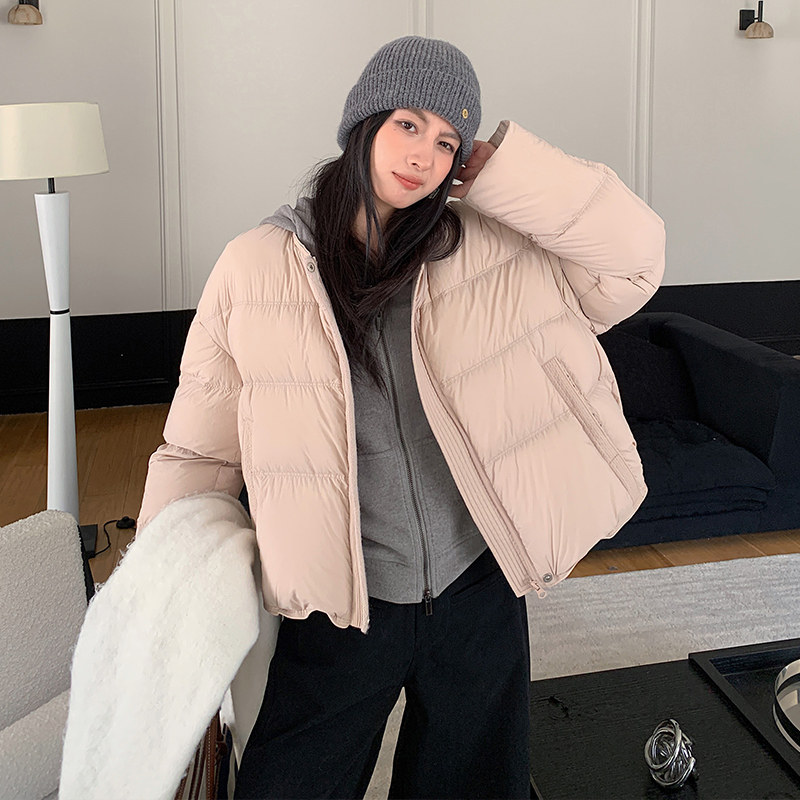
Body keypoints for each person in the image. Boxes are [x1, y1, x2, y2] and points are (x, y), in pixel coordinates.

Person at [138, 34, 665, 800]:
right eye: (409, 124)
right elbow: (199, 450)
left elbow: (635, 259)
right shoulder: (257, 266)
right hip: (343, 603)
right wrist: (156, 600)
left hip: (477, 585)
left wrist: (506, 173)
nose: (424, 154)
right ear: (365, 123)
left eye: (448, 140)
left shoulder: (488, 247)